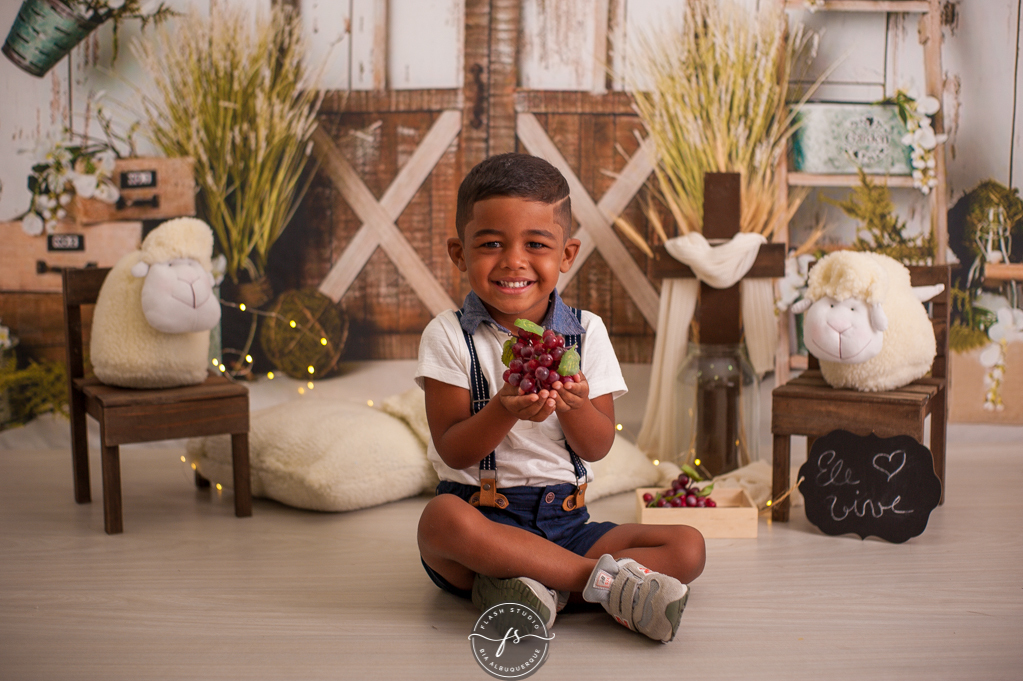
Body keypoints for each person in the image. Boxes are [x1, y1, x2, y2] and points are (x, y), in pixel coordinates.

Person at [415, 153, 705, 643]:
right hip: (486, 518)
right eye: (490, 244)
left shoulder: (586, 333)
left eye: (536, 244)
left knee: (688, 547)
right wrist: (502, 410)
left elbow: (596, 447)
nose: (513, 260)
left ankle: (527, 587)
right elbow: (453, 448)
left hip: (568, 521)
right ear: (460, 253)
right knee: (439, 521)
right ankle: (598, 584)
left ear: (566, 255)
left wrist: (576, 407)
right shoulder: (447, 335)